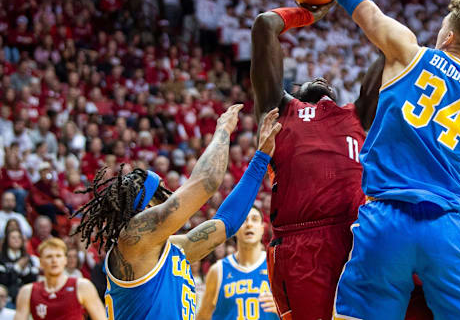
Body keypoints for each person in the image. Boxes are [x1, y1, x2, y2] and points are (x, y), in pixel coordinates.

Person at [282, 0, 460, 319]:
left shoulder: (408, 51)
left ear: (449, 35)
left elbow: (358, 1)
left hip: (386, 218)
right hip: (446, 227)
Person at [250, 0, 430, 319]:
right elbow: (265, 25)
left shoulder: (358, 115)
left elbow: (393, 48)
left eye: (328, 80)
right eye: (311, 79)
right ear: (296, 90)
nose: (321, 80)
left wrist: (358, 5)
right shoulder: (280, 110)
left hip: (357, 236)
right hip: (300, 242)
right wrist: (306, 13)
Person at [71, 106, 282, 319]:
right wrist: (223, 130)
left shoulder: (169, 250)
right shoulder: (134, 238)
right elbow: (206, 182)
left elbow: (227, 223)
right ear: (148, 205)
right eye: (161, 192)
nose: (170, 197)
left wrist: (261, 158)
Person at [196, 206, 278, 320]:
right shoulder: (218, 270)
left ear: (262, 228)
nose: (249, 224)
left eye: (254, 219)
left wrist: (282, 311)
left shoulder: (276, 266)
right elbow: (202, 317)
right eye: (244, 220)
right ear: (235, 229)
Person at [13, 237, 105, 320]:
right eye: (49, 257)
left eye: (58, 256)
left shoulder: (82, 286)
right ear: (41, 262)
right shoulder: (28, 291)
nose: (54, 260)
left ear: (65, 260)